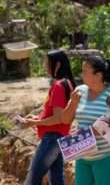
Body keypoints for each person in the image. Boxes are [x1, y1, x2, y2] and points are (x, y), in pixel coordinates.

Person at [60, 55, 110, 185]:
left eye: (85, 71)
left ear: (98, 75)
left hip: (105, 157)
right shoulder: (79, 91)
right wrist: (73, 103)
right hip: (82, 156)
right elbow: (65, 120)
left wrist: (85, 135)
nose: (81, 74)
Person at [23, 50, 76, 185]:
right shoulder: (68, 83)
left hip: (52, 139)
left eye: (47, 63)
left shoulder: (58, 85)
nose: (45, 66)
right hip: (61, 138)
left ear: (57, 65)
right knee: (56, 179)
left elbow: (58, 117)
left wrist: (35, 122)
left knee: (33, 177)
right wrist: (37, 117)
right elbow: (58, 114)